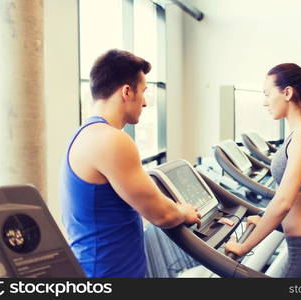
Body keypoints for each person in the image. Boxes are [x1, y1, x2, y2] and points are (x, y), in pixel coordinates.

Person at [59, 49, 201, 278]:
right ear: (127, 92)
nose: (144, 103)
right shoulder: (110, 140)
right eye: (143, 92)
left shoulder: (85, 134)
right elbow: (162, 215)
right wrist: (183, 212)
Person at [225, 63, 301, 277]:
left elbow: (284, 202)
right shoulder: (299, 133)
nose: (264, 102)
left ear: (287, 92)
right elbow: (286, 195)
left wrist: (244, 247)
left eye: (267, 94)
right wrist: (262, 217)